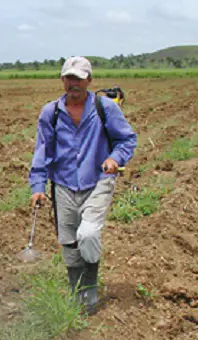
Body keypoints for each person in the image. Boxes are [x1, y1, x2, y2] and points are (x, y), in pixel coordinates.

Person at [29, 56, 137, 313]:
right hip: (64, 184)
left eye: (78, 78)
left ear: (89, 80)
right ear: (62, 80)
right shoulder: (51, 113)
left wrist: (114, 158)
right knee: (68, 241)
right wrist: (37, 187)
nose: (72, 83)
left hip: (97, 181)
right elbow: (42, 151)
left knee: (87, 235)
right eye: (68, 77)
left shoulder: (105, 108)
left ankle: (89, 294)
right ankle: (74, 293)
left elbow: (127, 140)